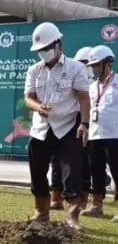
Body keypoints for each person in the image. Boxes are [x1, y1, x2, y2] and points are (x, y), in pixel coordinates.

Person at [24, 22, 90, 230]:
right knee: (37, 169)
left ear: (58, 44)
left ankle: (72, 217)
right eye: (40, 50)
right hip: (41, 128)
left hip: (69, 126)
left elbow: (84, 98)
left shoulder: (75, 68)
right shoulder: (34, 70)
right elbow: (28, 98)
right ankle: (41, 213)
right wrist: (38, 107)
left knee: (71, 171)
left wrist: (85, 124)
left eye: (46, 48)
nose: (43, 53)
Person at [49, 46, 93, 211]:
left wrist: (86, 123)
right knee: (58, 162)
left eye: (88, 64)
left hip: (89, 128)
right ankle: (56, 196)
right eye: (83, 63)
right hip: (70, 125)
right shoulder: (69, 77)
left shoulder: (96, 84)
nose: (86, 67)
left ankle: (82, 199)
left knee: (82, 164)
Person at [80, 45, 118, 218]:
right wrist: (85, 126)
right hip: (95, 134)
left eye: (96, 64)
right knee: (96, 170)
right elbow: (89, 109)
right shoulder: (92, 86)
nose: (93, 68)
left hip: (115, 135)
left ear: (106, 64)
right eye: (92, 65)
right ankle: (97, 206)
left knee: (117, 170)